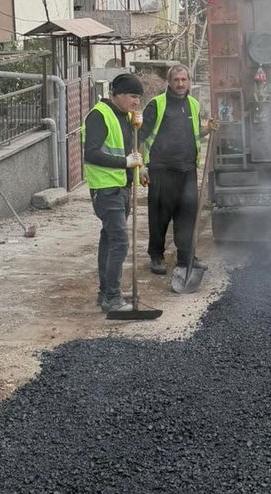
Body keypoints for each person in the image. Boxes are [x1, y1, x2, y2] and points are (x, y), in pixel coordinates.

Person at [139, 65, 217, 275]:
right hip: (162, 170)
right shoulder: (157, 105)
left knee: (187, 217)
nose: (180, 84)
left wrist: (207, 130)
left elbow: (192, 134)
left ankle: (186, 257)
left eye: (184, 80)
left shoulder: (193, 104)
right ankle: (156, 257)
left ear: (189, 82)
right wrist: (140, 166)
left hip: (187, 170)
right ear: (169, 82)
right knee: (159, 217)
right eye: (176, 80)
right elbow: (139, 135)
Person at [82, 73, 144, 313]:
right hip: (106, 190)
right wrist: (124, 162)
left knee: (109, 240)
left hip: (120, 188)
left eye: (138, 97)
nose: (136, 102)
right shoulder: (99, 115)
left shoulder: (125, 116)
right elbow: (91, 153)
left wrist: (140, 169)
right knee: (119, 241)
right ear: (116, 94)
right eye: (132, 96)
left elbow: (130, 150)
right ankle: (112, 297)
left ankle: (105, 292)